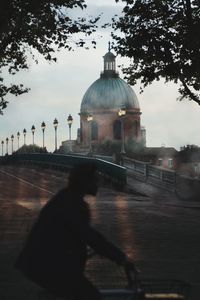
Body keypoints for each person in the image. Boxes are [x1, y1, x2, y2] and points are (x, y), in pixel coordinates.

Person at [15, 163, 134, 300]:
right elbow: (89, 236)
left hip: (42, 263)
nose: (98, 183)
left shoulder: (66, 198)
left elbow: (76, 235)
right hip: (49, 266)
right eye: (95, 179)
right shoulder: (73, 204)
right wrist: (121, 258)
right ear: (84, 182)